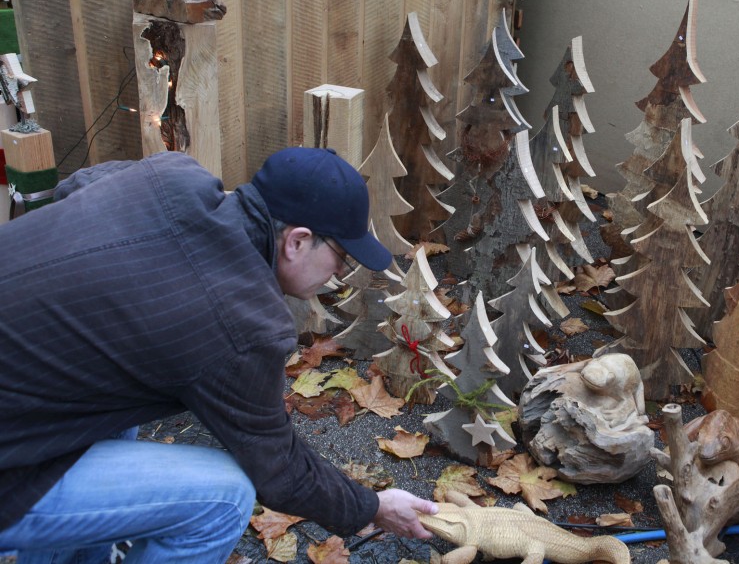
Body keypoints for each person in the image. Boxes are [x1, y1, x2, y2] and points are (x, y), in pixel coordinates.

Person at [0, 147, 438, 562]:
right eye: (341, 256)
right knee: (224, 498)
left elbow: (76, 185)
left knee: (116, 377)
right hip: (11, 466)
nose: (340, 271)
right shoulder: (242, 320)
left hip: (22, 405)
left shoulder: (170, 175)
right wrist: (371, 506)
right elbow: (280, 469)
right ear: (297, 241)